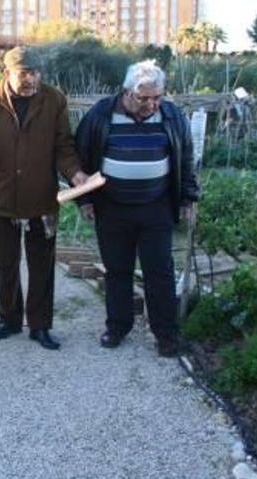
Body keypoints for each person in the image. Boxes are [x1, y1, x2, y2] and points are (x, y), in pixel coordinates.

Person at [0, 46, 87, 350]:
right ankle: (9, 320)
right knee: (6, 263)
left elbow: (63, 146)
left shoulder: (54, 99)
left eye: (34, 73)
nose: (29, 79)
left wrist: (75, 174)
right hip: (2, 196)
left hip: (42, 198)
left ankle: (40, 325)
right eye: (23, 73)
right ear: (7, 73)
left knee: (42, 264)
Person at [74, 60, 200, 357]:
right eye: (144, 98)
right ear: (126, 92)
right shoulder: (101, 114)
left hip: (156, 206)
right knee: (117, 270)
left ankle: (165, 334)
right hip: (112, 206)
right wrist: (85, 199)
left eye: (157, 97)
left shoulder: (171, 116)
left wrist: (187, 197)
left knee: (159, 271)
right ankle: (118, 326)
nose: (152, 104)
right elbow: (81, 157)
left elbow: (186, 156)